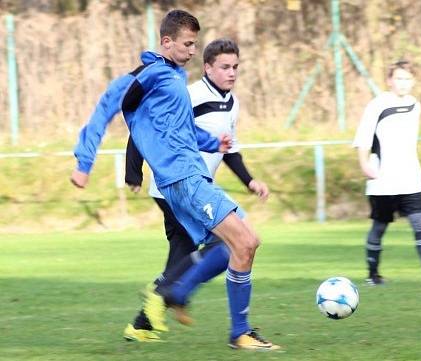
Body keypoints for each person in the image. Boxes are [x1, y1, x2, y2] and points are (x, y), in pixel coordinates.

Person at [70, 10, 279, 350]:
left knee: (239, 244)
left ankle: (178, 293)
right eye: (187, 45)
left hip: (193, 175)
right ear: (166, 42)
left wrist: (215, 143)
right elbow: (108, 105)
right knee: (242, 243)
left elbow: (179, 129)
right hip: (182, 179)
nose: (191, 51)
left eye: (194, 44)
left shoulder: (174, 76)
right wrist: (85, 161)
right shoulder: (148, 74)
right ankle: (234, 329)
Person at [124, 38, 270, 342]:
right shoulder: (190, 95)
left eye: (236, 67)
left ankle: (143, 323)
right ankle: (175, 293)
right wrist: (133, 170)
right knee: (228, 245)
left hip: (199, 188)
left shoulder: (233, 103)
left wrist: (250, 181)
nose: (231, 73)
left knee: (186, 255)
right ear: (207, 67)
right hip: (177, 188)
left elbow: (228, 149)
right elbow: (147, 124)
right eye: (225, 67)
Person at [352, 60, 421, 286]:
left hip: (410, 178)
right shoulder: (377, 104)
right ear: (389, 81)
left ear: (413, 81)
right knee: (379, 226)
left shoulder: (415, 104)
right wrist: (364, 164)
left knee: (420, 223)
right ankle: (373, 275)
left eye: (407, 79)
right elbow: (364, 137)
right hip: (382, 179)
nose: (403, 83)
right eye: (398, 78)